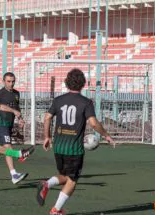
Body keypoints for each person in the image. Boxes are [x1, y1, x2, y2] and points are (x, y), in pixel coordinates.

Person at [36, 69, 115, 215]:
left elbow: (47, 117)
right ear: (83, 84)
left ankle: (47, 184)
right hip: (74, 149)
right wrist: (106, 135)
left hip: (59, 146)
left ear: (66, 82)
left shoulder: (58, 100)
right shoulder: (85, 102)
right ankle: (56, 210)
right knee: (72, 180)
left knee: (65, 176)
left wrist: (47, 137)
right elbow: (93, 123)